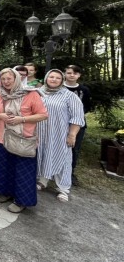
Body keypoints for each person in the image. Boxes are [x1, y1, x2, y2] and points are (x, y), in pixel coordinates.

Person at [0, 68, 48, 213]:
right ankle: (5, 192)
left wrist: (22, 119)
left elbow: (43, 115)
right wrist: (0, 115)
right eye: (3, 79)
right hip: (1, 137)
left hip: (23, 139)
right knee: (4, 167)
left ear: (17, 79)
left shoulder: (31, 94)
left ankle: (21, 201)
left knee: (22, 171)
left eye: (9, 79)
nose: (6, 82)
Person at [36, 69, 86, 202]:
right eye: (51, 77)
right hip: (40, 132)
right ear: (46, 78)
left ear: (62, 80)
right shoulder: (40, 92)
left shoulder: (69, 96)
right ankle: (42, 181)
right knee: (42, 155)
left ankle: (63, 189)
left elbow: (77, 117)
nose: (53, 79)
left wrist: (72, 135)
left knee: (62, 159)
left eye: (57, 78)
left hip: (59, 134)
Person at [64, 64, 91, 186]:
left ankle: (70, 172)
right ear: (65, 73)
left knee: (74, 148)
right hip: (59, 123)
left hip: (77, 124)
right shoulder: (58, 87)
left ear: (79, 75)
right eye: (69, 72)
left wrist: (74, 116)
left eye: (74, 73)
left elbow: (86, 107)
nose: (71, 75)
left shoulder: (83, 90)